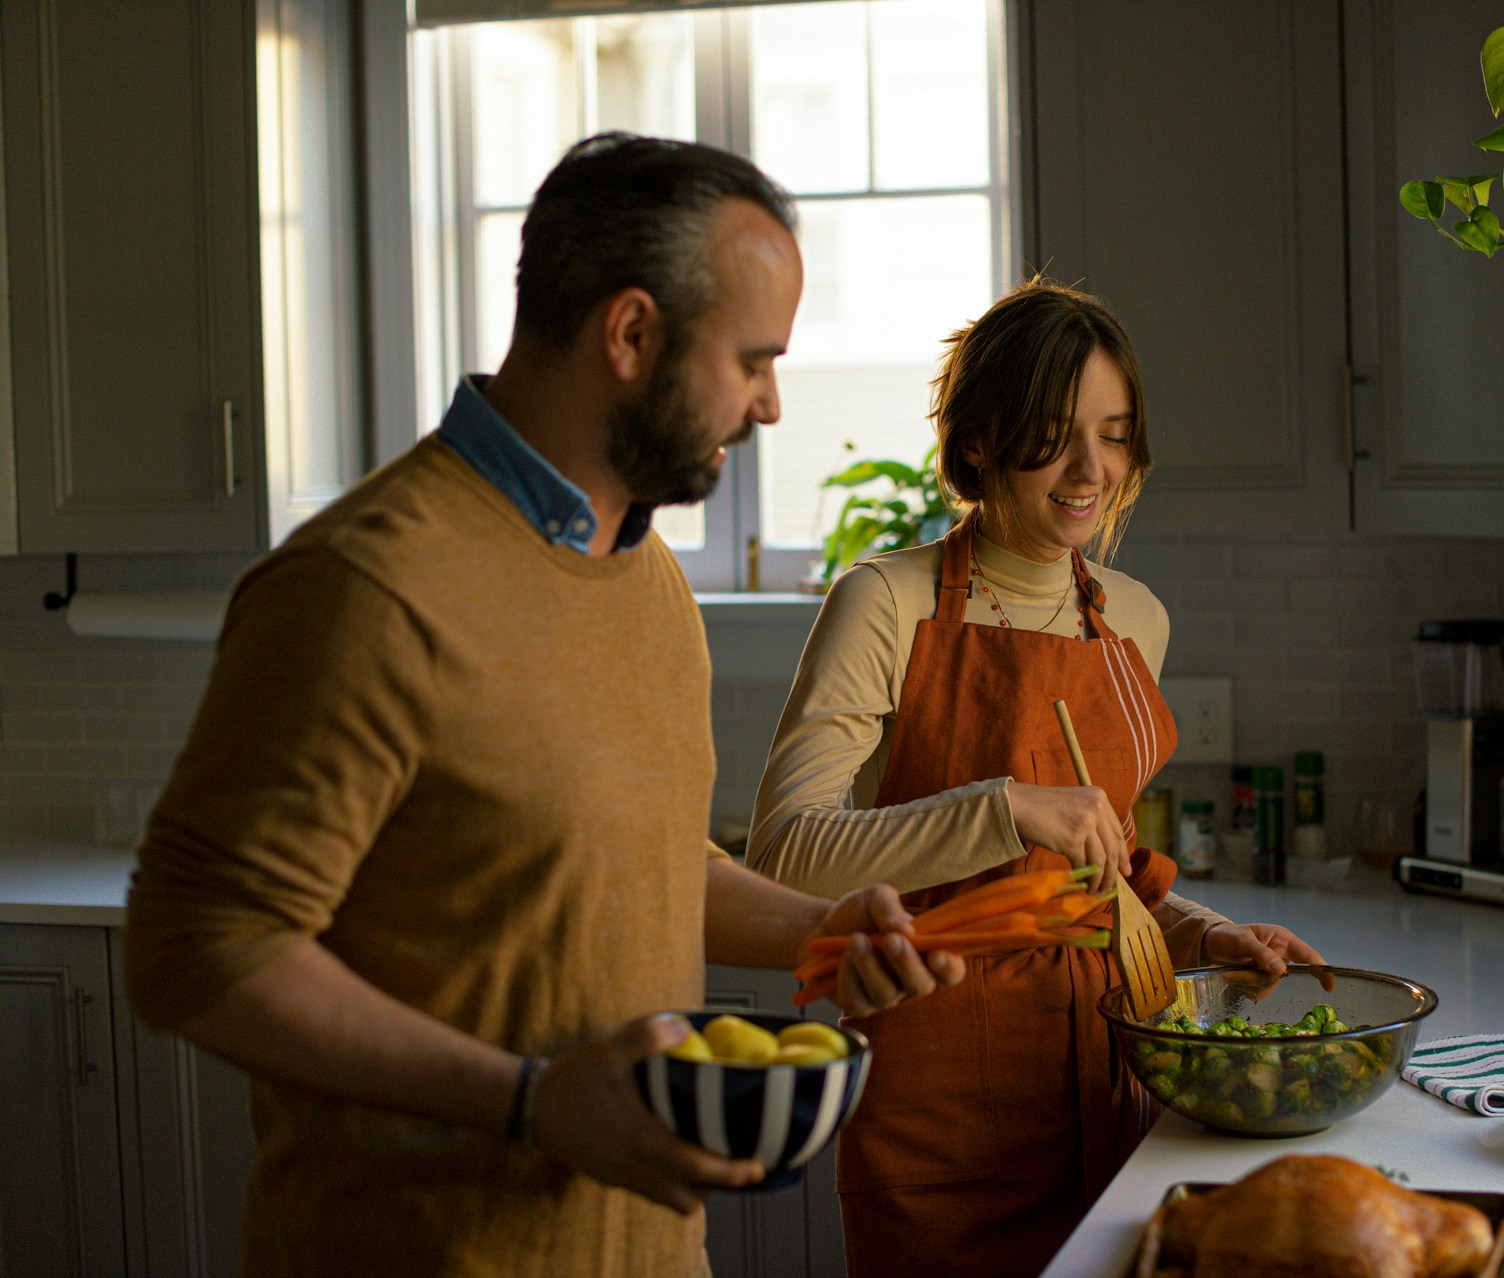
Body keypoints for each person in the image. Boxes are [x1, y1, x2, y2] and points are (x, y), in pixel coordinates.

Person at [121, 134, 963, 1277]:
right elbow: (195, 948)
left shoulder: (648, 575)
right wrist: (529, 1102)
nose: (768, 404)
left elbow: (645, 862)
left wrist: (819, 934)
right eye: (754, 360)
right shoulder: (366, 585)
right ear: (629, 334)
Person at [747, 279, 1329, 1278]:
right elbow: (786, 851)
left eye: (1113, 433)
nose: (1088, 469)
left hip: (1111, 1095)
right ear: (976, 439)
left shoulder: (1135, 621)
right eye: (1054, 433)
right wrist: (1002, 808)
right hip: (939, 1121)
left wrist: (1202, 932)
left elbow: (1105, 874)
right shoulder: (885, 602)